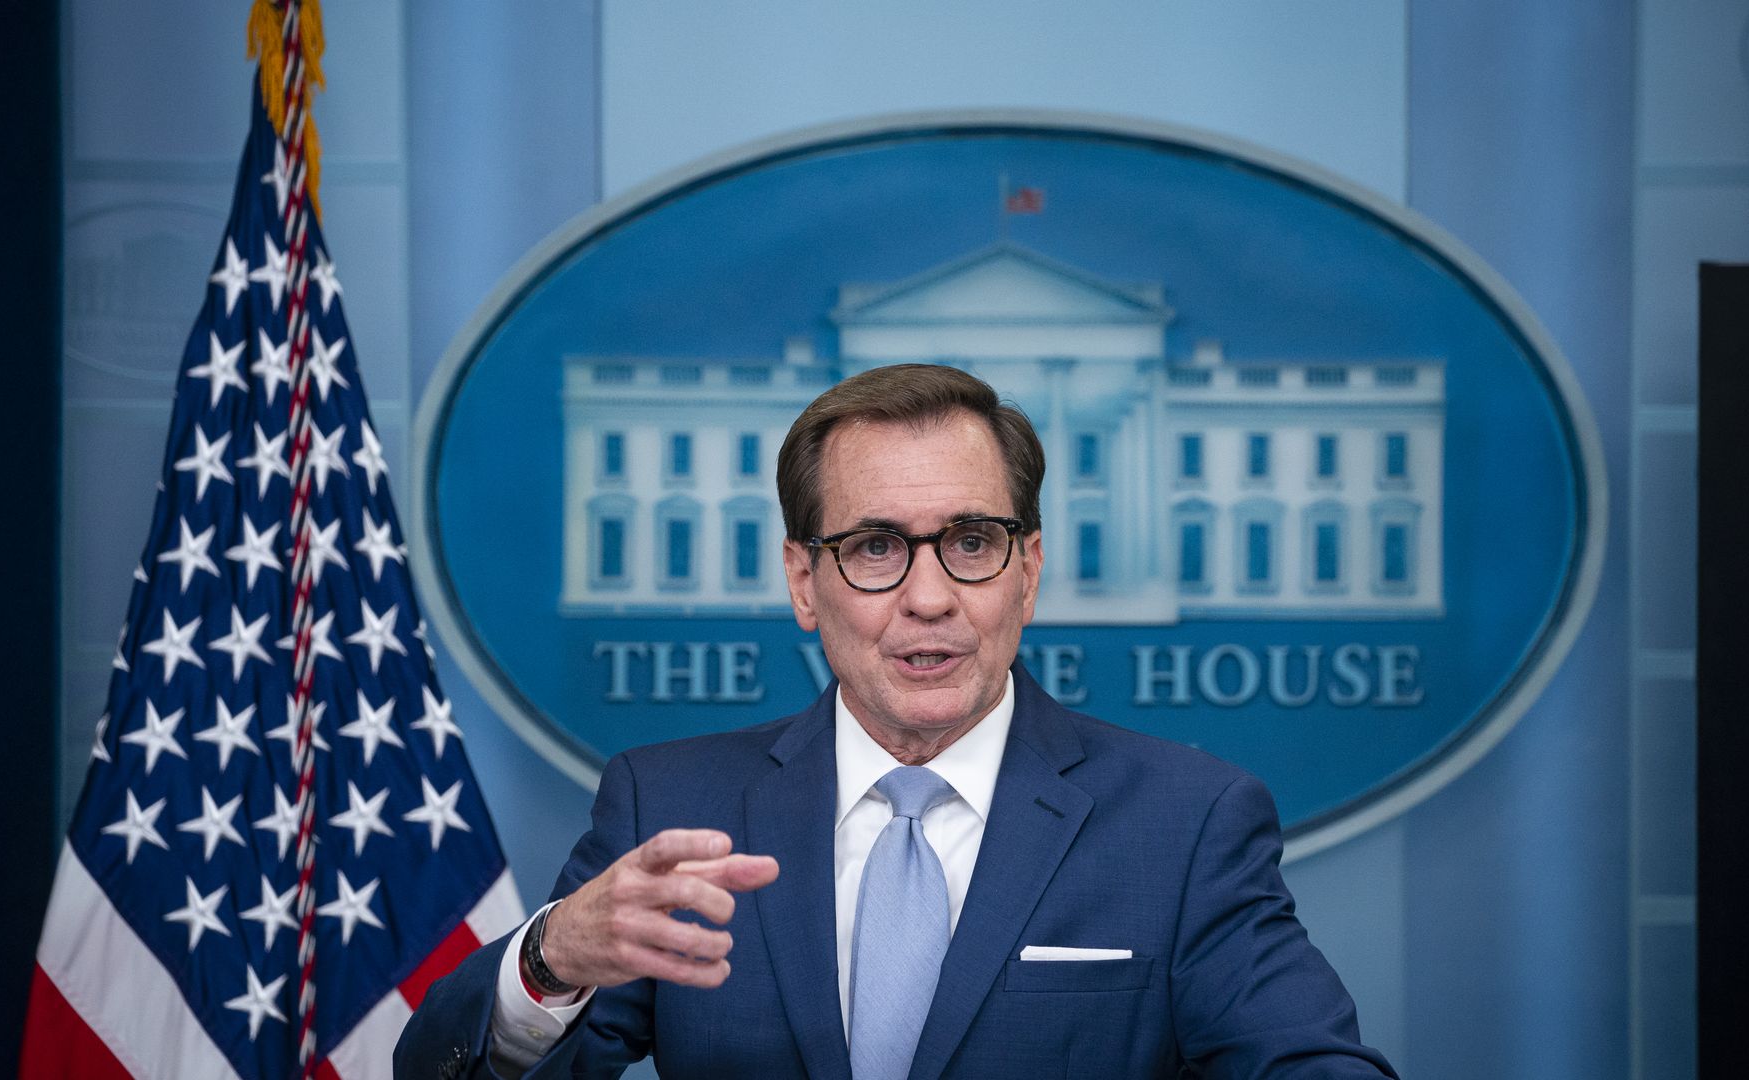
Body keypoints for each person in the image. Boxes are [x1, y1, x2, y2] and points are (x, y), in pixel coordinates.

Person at [395, 364, 1396, 1079]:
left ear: (1029, 570)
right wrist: (551, 958)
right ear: (803, 579)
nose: (928, 598)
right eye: (876, 547)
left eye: (971, 540)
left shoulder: (1186, 824)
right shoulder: (674, 805)